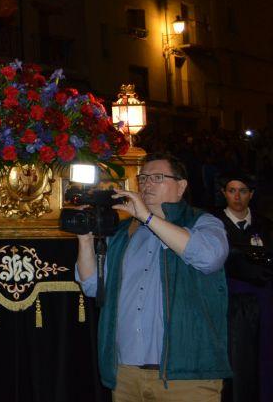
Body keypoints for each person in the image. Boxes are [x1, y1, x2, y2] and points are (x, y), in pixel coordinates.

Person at [75, 152, 231, 400]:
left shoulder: (203, 223)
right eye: (143, 177)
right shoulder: (123, 232)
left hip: (186, 376)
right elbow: (93, 286)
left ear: (181, 187)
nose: (147, 183)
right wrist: (84, 237)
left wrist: (147, 217)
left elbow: (209, 257)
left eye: (158, 177)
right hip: (126, 375)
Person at [215, 175, 273, 402]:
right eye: (231, 190)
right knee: (235, 357)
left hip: (263, 300)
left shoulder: (265, 225)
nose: (237, 197)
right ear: (224, 193)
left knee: (263, 355)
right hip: (228, 301)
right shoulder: (214, 223)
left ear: (252, 194)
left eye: (243, 191)